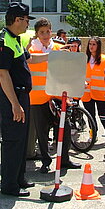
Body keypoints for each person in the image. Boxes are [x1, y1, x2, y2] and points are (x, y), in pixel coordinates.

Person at [0, 2, 51, 197]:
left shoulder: (14, 39)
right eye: (26, 20)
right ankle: (9, 185)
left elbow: (30, 59)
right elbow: (3, 74)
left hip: (21, 95)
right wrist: (15, 104)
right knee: (12, 141)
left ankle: (19, 178)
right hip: (12, 97)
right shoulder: (3, 41)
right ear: (17, 19)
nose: (27, 24)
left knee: (21, 140)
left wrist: (52, 55)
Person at [28, 18, 81, 173]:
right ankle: (46, 161)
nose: (45, 35)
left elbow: (67, 69)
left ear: (51, 31)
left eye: (47, 31)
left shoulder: (59, 47)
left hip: (57, 95)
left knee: (65, 128)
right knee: (42, 132)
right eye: (41, 32)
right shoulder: (30, 50)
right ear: (37, 34)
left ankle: (64, 159)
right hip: (37, 97)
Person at [81, 36, 105, 134]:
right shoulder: (83, 59)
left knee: (104, 116)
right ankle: (93, 134)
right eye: (90, 44)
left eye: (94, 44)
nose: (91, 46)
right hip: (86, 94)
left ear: (98, 46)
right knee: (90, 116)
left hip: (101, 93)